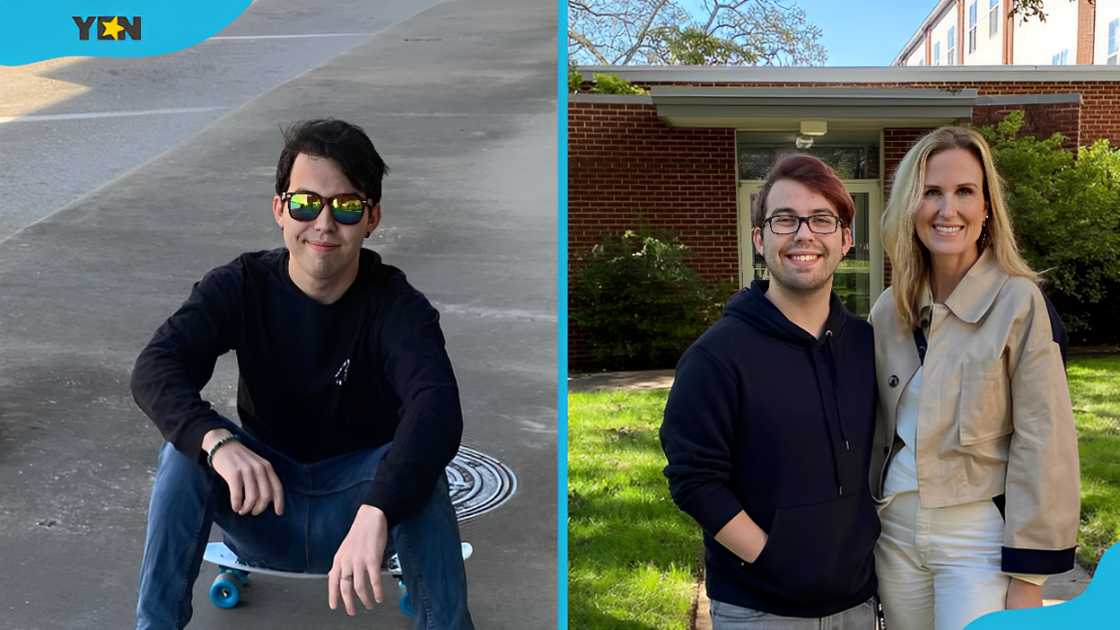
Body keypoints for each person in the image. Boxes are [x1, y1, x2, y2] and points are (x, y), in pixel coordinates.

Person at [131, 119, 474, 629]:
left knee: (420, 462)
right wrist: (219, 442)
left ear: (372, 218)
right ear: (280, 209)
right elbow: (156, 367)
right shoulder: (241, 286)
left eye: (347, 206)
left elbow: (437, 408)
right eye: (306, 203)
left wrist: (379, 509)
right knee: (184, 455)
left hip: (360, 510)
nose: (324, 223)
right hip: (263, 504)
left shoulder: (397, 306)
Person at [869, 126, 1080, 630]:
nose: (948, 210)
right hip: (894, 530)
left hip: (976, 537)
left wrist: (1029, 581)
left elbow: (1044, 442)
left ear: (987, 208)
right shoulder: (887, 312)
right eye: (931, 192)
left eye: (965, 191)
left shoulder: (1019, 303)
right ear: (909, 206)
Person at [660, 154, 881, 629]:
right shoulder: (716, 357)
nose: (804, 234)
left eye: (822, 219)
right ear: (760, 239)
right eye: (785, 219)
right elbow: (694, 480)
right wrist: (773, 558)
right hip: (759, 609)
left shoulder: (868, 346)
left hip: (858, 603)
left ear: (845, 239)